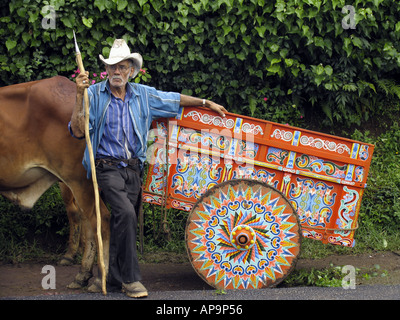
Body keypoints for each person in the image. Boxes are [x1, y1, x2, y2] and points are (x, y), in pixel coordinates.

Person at [69, 39, 227, 298]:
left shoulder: (143, 94)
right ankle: (131, 281)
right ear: (106, 70)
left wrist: (205, 102)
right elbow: (77, 130)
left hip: (132, 169)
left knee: (122, 221)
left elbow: (173, 99)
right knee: (126, 215)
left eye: (122, 67)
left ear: (131, 70)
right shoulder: (93, 94)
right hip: (105, 168)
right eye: (112, 67)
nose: (116, 72)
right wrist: (78, 95)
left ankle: (108, 278)